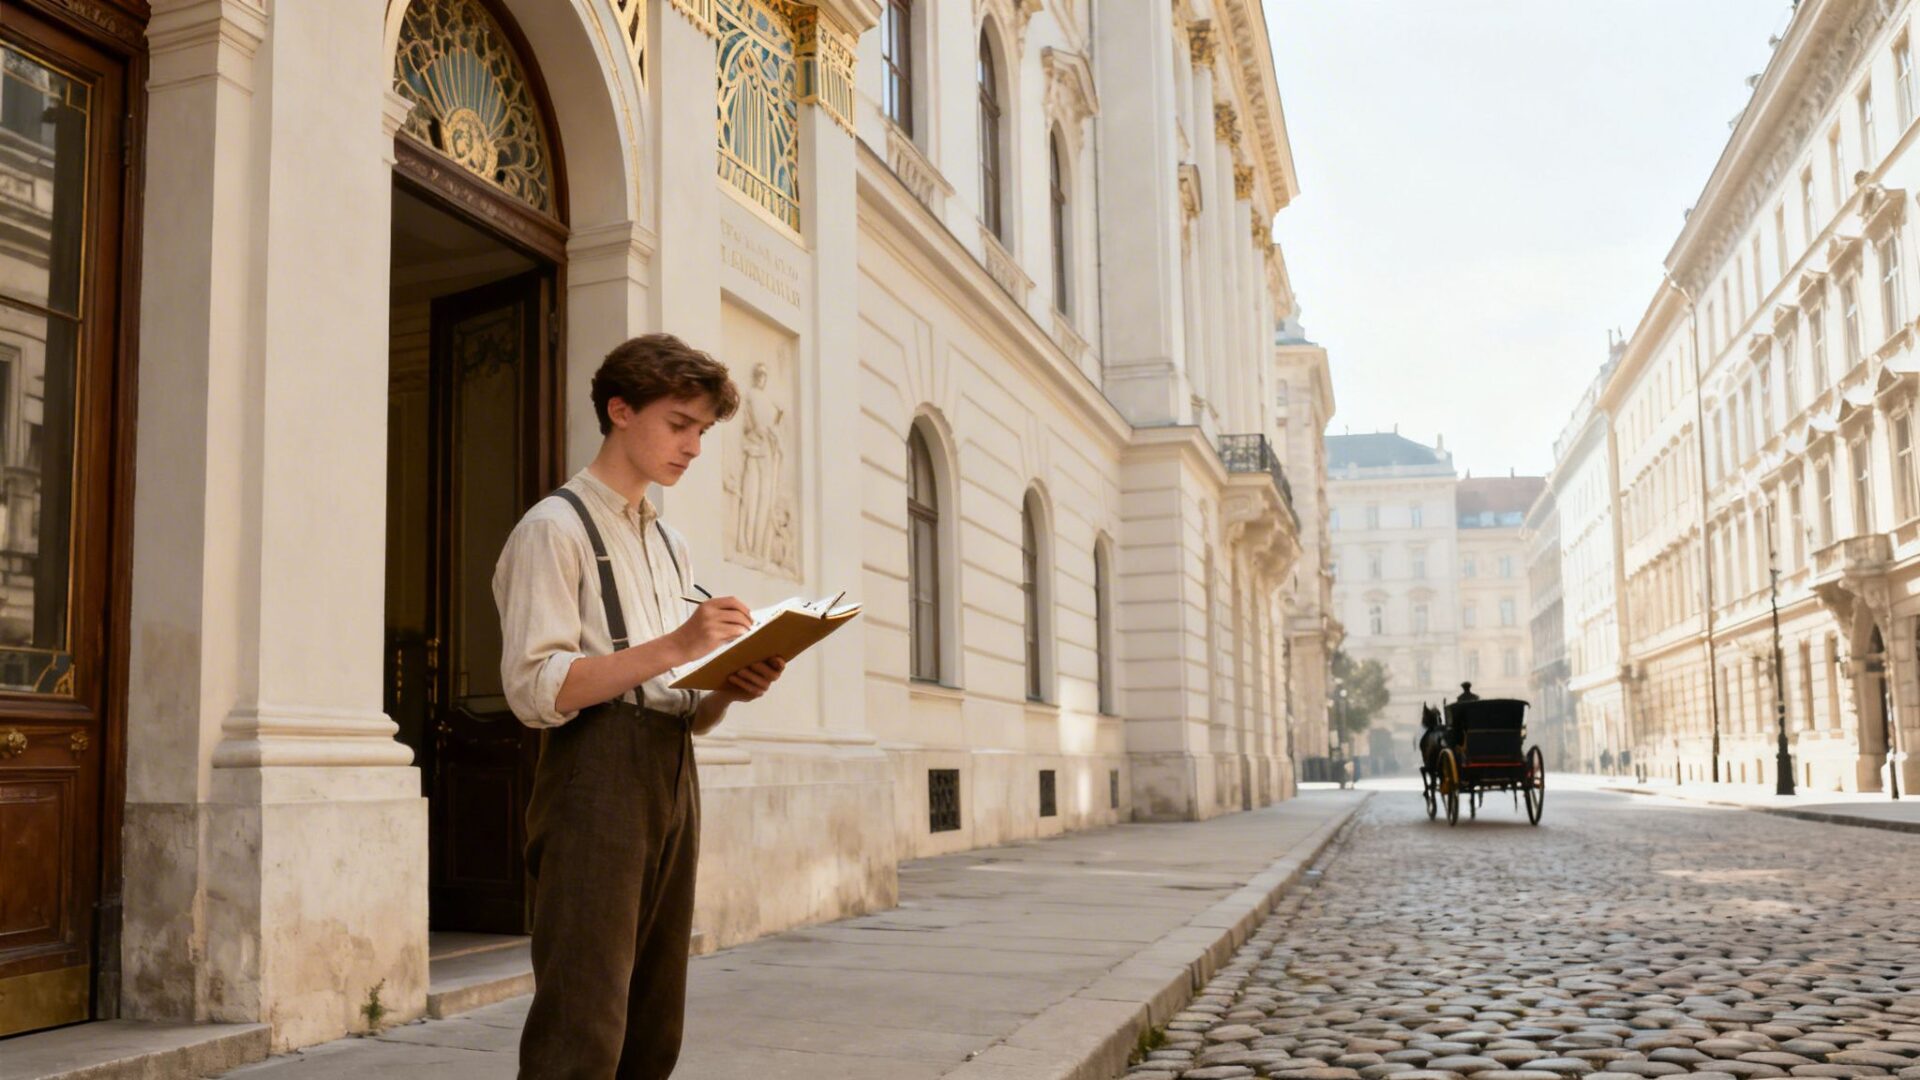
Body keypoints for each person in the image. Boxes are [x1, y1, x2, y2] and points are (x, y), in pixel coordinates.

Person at [493, 333, 787, 1078]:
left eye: (703, 431)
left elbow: (684, 701)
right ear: (620, 411)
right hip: (593, 776)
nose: (693, 447)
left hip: (670, 767)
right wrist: (680, 643)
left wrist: (728, 682)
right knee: (582, 1020)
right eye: (679, 424)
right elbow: (536, 690)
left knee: (656, 1016)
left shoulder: (671, 545)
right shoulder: (552, 530)